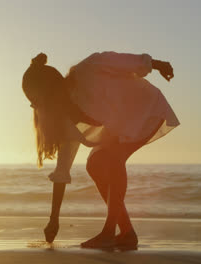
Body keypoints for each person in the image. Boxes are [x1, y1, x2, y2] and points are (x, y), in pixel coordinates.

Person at [21, 51, 179, 249]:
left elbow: (119, 61)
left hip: (146, 109)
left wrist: (157, 64)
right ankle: (127, 233)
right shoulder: (66, 121)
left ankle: (108, 232)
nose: (36, 108)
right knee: (95, 164)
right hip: (121, 128)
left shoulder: (88, 70)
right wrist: (54, 219)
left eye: (36, 102)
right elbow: (62, 171)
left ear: (49, 93)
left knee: (113, 158)